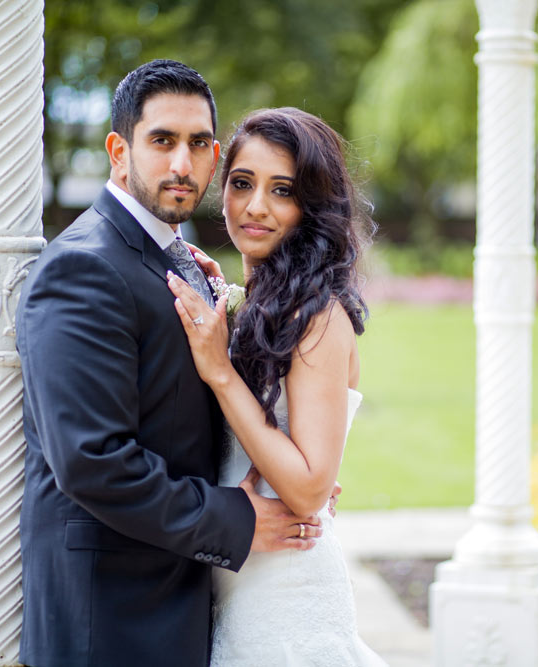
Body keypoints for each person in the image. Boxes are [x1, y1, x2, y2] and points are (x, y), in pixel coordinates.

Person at [15, 60, 329, 667]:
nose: (183, 164)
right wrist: (238, 519)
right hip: (108, 618)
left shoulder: (178, 256)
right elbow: (92, 461)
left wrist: (285, 465)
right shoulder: (83, 268)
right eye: (162, 141)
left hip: (172, 601)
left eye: (199, 143)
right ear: (119, 150)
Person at [167, 107, 385, 665]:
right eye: (242, 184)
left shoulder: (318, 317)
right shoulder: (252, 306)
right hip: (234, 584)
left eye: (281, 190)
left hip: (287, 599)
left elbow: (310, 488)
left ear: (310, 205)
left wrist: (219, 370)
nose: (256, 207)